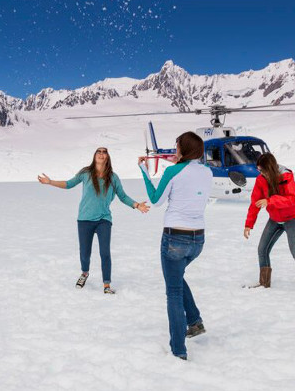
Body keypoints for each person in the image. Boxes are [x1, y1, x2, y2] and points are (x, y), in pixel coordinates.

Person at [139, 132, 212, 361]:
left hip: (174, 238)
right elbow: (189, 180)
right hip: (197, 239)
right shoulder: (207, 172)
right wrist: (177, 166)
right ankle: (195, 322)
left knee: (173, 291)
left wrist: (143, 172)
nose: (174, 149)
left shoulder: (172, 171)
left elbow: (156, 200)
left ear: (183, 149)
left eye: (176, 145)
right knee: (177, 279)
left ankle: (178, 349)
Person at [38, 147, 150, 294]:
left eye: (104, 152)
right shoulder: (85, 173)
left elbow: (122, 196)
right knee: (85, 252)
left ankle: (106, 285)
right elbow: (69, 184)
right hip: (84, 219)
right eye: (99, 151)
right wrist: (50, 182)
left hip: (104, 219)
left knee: (105, 252)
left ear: (107, 157)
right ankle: (84, 273)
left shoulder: (113, 177)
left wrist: (136, 205)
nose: (101, 154)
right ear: (94, 155)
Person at [244, 152, 295, 301]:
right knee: (262, 249)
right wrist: (248, 224)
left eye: (263, 170)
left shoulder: (286, 176)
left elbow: (291, 199)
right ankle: (264, 284)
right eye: (259, 170)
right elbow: (255, 203)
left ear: (271, 168)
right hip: (275, 218)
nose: (261, 174)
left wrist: (270, 201)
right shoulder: (261, 180)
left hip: (293, 218)